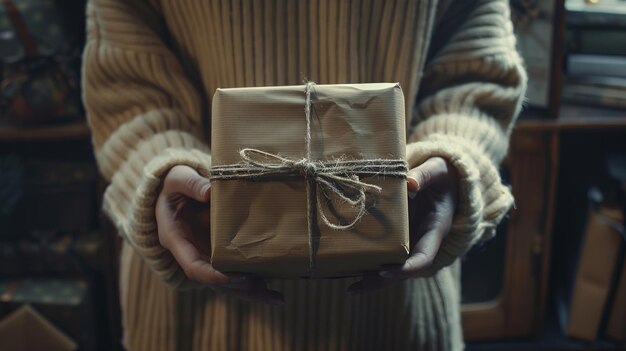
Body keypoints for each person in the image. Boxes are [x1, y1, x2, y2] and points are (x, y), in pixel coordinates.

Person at [82, 0, 527, 350]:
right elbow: (126, 88)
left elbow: (475, 73)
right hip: (200, 312)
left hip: (393, 308)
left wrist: (453, 153)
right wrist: (159, 167)